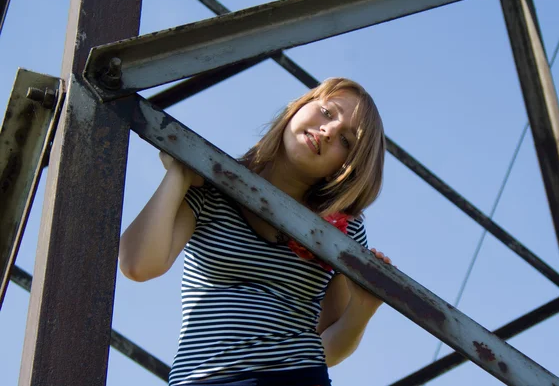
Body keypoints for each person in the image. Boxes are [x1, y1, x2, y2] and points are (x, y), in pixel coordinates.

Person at [119, 78, 393, 386]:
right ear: (297, 108)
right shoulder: (211, 186)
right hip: (202, 379)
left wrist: (364, 309)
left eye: (346, 141)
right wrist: (180, 172)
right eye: (327, 112)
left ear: (344, 167)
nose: (328, 131)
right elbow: (138, 265)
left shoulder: (342, 229)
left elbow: (327, 348)